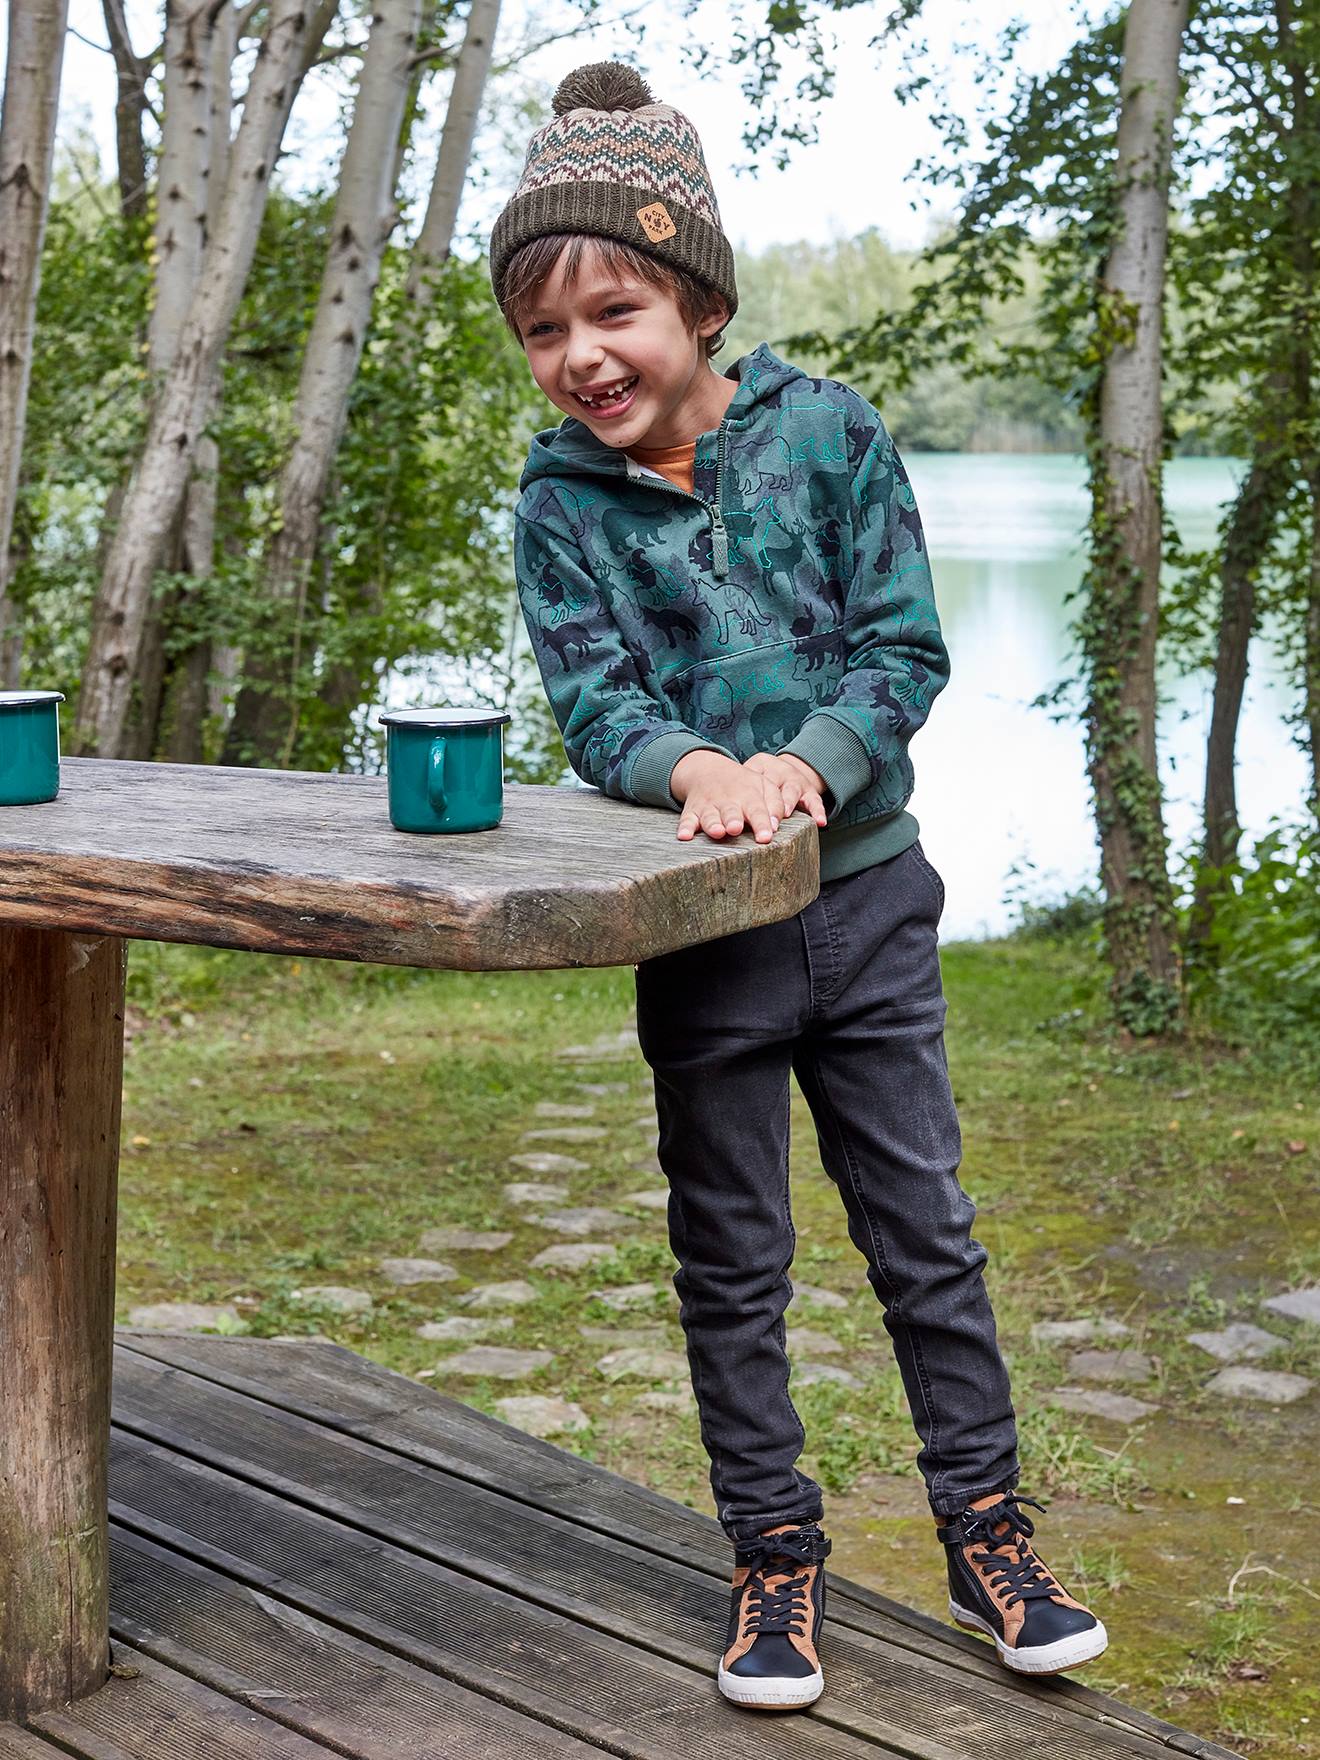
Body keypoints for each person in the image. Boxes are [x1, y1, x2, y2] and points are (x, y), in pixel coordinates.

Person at [489, 58, 1108, 1710]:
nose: (579, 359)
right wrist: (700, 773)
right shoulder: (560, 501)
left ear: (694, 296)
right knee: (730, 1260)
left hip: (868, 906)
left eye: (610, 309)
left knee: (928, 1238)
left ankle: (990, 1531)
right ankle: (774, 1559)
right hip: (702, 939)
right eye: (542, 333)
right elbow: (601, 702)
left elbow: (904, 644)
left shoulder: (826, 432)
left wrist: (807, 768)